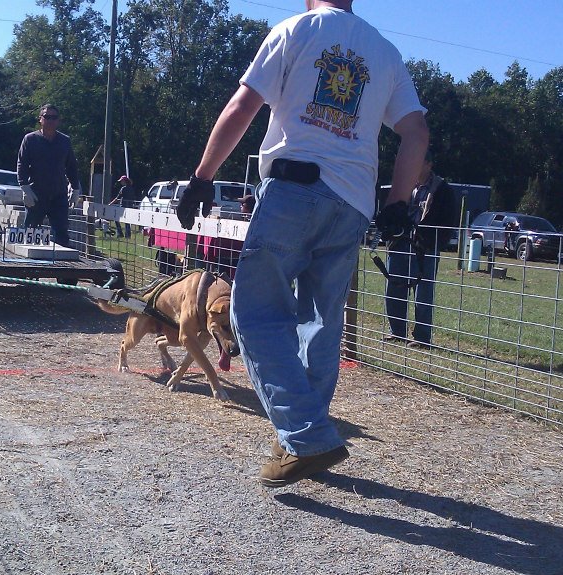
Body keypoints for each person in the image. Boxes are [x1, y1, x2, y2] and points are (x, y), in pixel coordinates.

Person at [178, 0, 428, 487]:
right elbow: (415, 132)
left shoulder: (296, 30)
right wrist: (399, 202)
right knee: (320, 320)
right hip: (353, 204)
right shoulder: (385, 51)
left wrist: (202, 177)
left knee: (253, 314)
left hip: (293, 191)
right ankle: (297, 440)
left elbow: (242, 106)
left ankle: (306, 434)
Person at [384, 151, 456, 349]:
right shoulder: (405, 185)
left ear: (429, 164)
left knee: (423, 293)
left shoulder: (441, 189)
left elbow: (448, 221)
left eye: (418, 162)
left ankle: (422, 337)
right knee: (395, 287)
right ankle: (397, 331)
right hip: (400, 243)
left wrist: (434, 242)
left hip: (425, 246)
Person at [16, 104, 81, 248]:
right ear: (40, 119)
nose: (50, 120)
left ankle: (61, 267)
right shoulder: (30, 139)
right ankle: (28, 265)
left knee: (62, 235)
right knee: (30, 233)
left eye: (54, 117)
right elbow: (22, 165)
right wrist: (25, 188)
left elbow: (71, 167)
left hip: (59, 195)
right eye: (47, 117)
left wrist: (75, 189)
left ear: (58, 121)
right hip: (36, 194)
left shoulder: (65, 141)